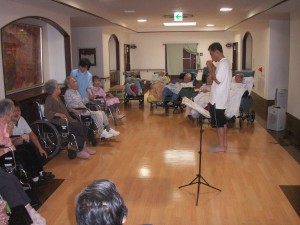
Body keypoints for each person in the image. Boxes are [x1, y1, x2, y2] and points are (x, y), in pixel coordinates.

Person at [0, 99, 46, 224]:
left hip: (9, 149)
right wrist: (8, 132)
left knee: (27, 150)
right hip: (4, 154)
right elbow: (2, 142)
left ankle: (29, 208)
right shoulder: (1, 123)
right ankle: (28, 213)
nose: (13, 114)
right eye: (12, 111)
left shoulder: (6, 122)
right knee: (11, 178)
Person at [44, 79, 95, 159]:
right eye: (58, 86)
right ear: (54, 89)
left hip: (68, 119)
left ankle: (84, 147)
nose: (59, 88)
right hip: (59, 122)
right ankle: (79, 150)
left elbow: (65, 108)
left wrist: (72, 110)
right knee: (78, 129)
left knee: (84, 126)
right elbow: (47, 113)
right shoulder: (49, 99)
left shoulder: (58, 98)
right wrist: (58, 114)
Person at [9, 100, 54, 184]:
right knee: (26, 150)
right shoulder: (5, 124)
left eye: (18, 110)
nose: (17, 113)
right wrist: (19, 138)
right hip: (10, 149)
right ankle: (34, 177)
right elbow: (6, 141)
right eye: (14, 111)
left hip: (22, 144)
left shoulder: (21, 119)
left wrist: (40, 148)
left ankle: (40, 172)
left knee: (34, 147)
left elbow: (32, 135)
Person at [207, 42, 231, 153]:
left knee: (219, 124)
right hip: (221, 99)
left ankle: (221, 146)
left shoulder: (223, 64)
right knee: (223, 122)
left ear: (217, 52)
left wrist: (209, 66)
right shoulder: (223, 63)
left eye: (211, 54)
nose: (211, 57)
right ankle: (224, 143)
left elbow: (217, 79)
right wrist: (212, 67)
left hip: (218, 100)